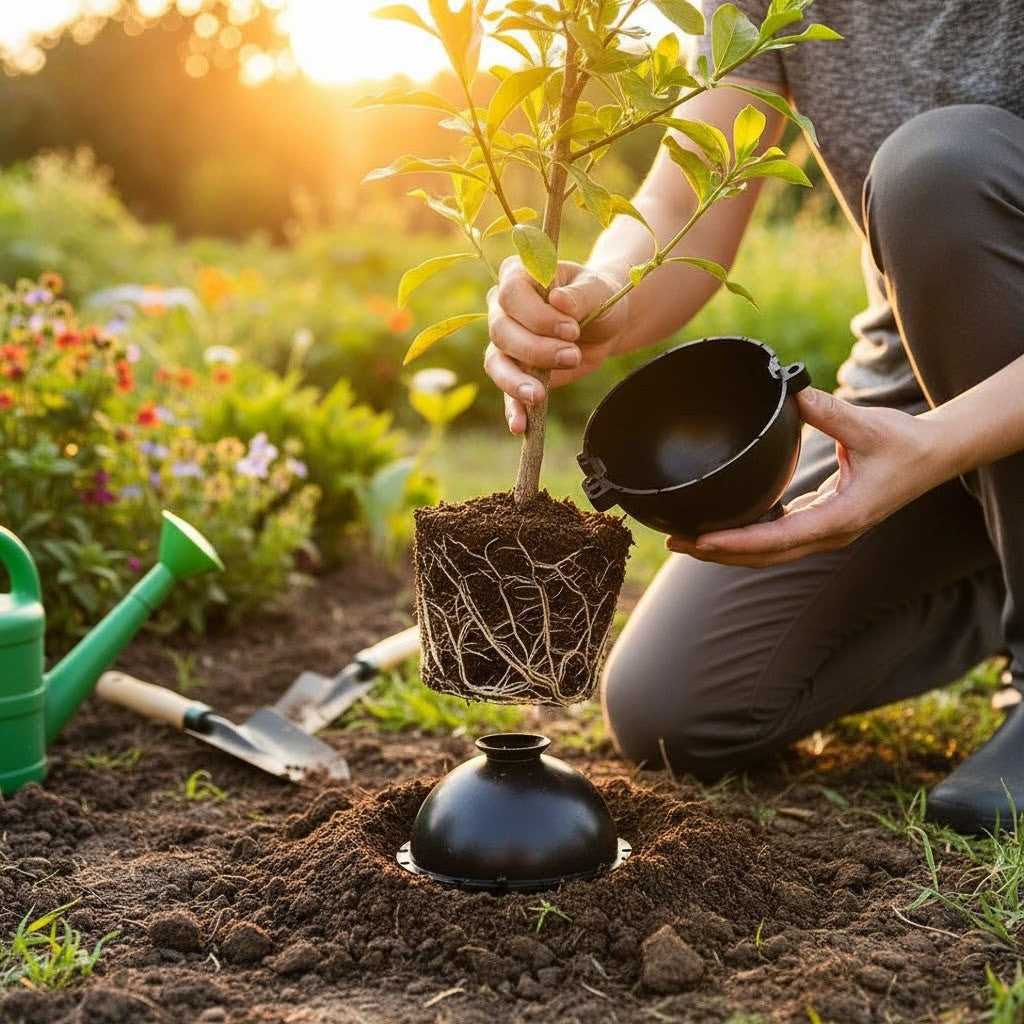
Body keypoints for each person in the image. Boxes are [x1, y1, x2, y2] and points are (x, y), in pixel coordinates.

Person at [484, 0, 1024, 834]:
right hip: (914, 379)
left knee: (939, 170)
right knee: (678, 705)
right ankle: (1005, 549)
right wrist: (599, 298)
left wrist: (941, 445)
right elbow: (682, 197)